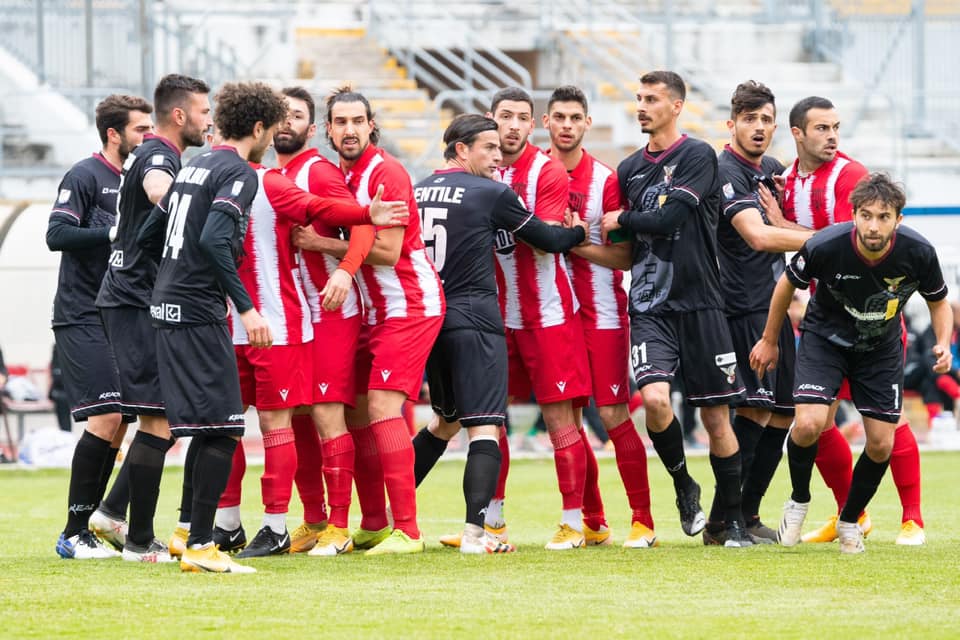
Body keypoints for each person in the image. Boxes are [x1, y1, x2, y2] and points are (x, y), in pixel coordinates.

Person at [412, 114, 590, 553]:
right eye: (488, 148)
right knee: (485, 427)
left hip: (431, 319)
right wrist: (579, 230)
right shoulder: (491, 193)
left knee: (443, 421)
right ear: (460, 150)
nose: (498, 157)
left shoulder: (419, 189)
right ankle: (479, 533)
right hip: (475, 318)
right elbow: (546, 239)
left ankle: (386, 517)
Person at [750, 172, 951, 554]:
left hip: (879, 348)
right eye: (866, 215)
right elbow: (785, 286)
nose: (873, 226)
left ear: (898, 220)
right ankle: (799, 500)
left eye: (883, 217)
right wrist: (769, 339)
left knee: (879, 444)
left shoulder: (918, 252)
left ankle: (850, 519)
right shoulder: (826, 245)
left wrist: (942, 343)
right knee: (808, 423)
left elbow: (938, 301)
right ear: (853, 214)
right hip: (825, 341)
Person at [135, 81, 284, 573]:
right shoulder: (239, 172)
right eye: (272, 130)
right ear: (259, 127)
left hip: (168, 303)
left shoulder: (193, 164)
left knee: (207, 426)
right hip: (197, 310)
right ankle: (201, 546)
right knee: (223, 427)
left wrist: (170, 279)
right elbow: (217, 239)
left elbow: (148, 232)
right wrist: (246, 308)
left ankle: (189, 537)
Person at [600, 70, 752, 547]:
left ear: (677, 106)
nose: (641, 106)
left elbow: (667, 220)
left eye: (651, 99)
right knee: (655, 400)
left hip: (703, 304)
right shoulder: (627, 170)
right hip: (649, 304)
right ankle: (684, 485)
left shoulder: (697, 155)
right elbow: (626, 244)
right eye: (638, 98)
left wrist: (623, 217)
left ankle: (732, 524)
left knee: (715, 420)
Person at [781, 97, 927, 545]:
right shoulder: (787, 180)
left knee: (887, 421)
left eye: (836, 127)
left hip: (871, 315)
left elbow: (859, 241)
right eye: (822, 128)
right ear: (798, 134)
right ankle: (853, 515)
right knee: (816, 422)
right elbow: (811, 250)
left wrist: (776, 229)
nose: (832, 136)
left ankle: (912, 518)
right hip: (826, 322)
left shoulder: (851, 175)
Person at [307, 87, 445, 555]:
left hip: (408, 305)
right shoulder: (337, 176)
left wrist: (321, 245)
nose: (349, 130)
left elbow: (387, 250)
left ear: (371, 125)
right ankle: (372, 523)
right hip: (372, 313)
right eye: (340, 122)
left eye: (357, 121)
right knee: (360, 416)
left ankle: (408, 531)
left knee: (384, 411)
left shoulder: (385, 171)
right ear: (328, 129)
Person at [92, 74, 212, 562]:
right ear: (180, 115)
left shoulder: (152, 151)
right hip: (134, 300)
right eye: (204, 112)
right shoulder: (161, 156)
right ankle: (137, 538)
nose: (209, 120)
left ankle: (114, 513)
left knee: (160, 419)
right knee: (159, 420)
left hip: (132, 298)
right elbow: (162, 191)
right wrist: (197, 208)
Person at [544, 86, 658, 548]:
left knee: (612, 413)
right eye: (559, 117)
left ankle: (643, 520)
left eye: (575, 117)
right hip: (551, 313)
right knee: (566, 418)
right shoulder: (532, 175)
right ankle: (592, 520)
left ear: (587, 123)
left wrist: (575, 242)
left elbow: (626, 257)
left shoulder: (607, 181)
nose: (567, 125)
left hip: (603, 312)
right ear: (546, 123)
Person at [46, 94, 153, 559]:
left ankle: (95, 523)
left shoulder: (141, 182)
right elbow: (57, 234)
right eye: (140, 130)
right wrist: (114, 232)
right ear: (114, 134)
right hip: (81, 313)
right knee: (107, 416)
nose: (148, 138)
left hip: (122, 315)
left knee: (126, 421)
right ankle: (73, 533)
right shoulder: (84, 175)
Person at [714, 81, 814, 544]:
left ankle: (748, 516)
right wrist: (833, 238)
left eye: (765, 119)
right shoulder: (724, 171)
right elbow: (760, 237)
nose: (758, 128)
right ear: (731, 124)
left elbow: (784, 226)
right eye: (749, 119)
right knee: (753, 412)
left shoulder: (772, 170)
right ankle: (723, 520)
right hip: (739, 307)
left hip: (774, 305)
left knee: (781, 414)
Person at [282, 86, 381, 556]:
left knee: (326, 412)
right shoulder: (267, 174)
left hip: (331, 312)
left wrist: (344, 272)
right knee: (297, 412)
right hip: (291, 314)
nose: (286, 122)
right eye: (279, 114)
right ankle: (314, 519)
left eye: (296, 115)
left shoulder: (316, 172)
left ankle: (340, 525)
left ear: (310, 127)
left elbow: (363, 223)